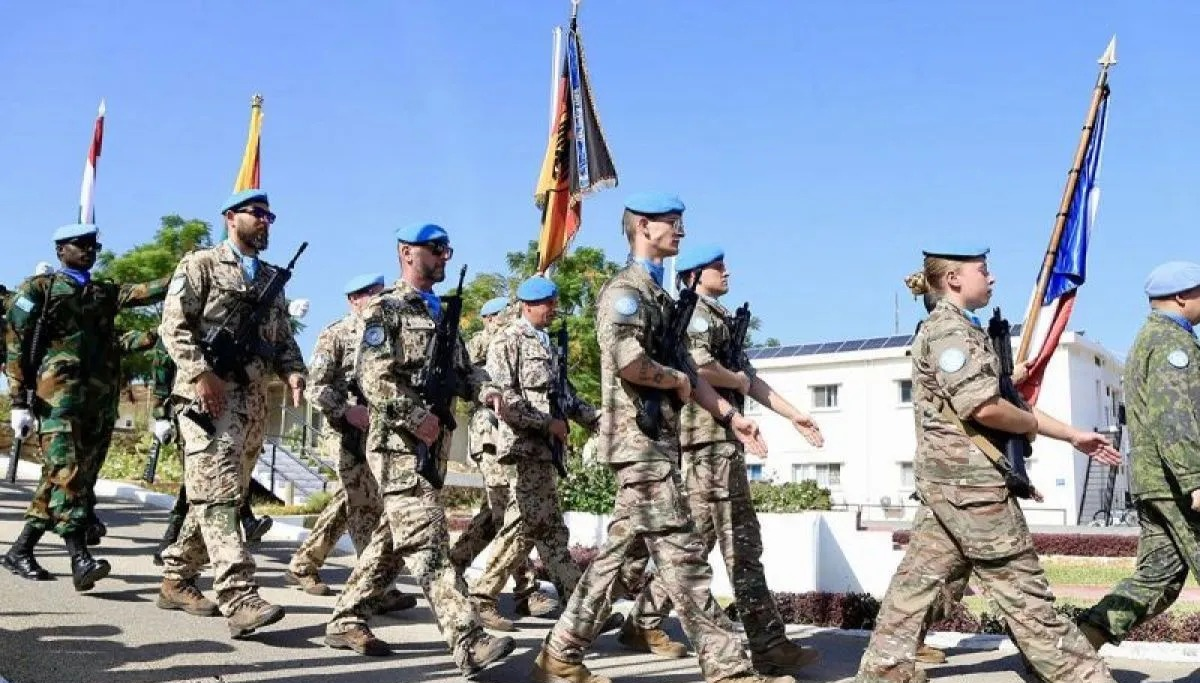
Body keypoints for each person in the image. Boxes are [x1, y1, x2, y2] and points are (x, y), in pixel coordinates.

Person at [533, 193, 792, 683]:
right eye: (672, 223)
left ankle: (560, 655)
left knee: (614, 559)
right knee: (684, 557)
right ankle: (731, 670)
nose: (681, 231)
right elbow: (630, 362)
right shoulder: (625, 293)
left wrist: (728, 416)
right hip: (638, 445)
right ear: (643, 228)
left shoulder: (661, 298)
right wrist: (674, 380)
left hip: (656, 445)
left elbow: (690, 371)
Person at [853, 244, 1122, 683]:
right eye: (983, 270)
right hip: (970, 486)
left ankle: (884, 670)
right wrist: (1028, 421)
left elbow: (1002, 401)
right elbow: (984, 408)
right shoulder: (949, 332)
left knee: (918, 583)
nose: (992, 277)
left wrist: (1073, 435)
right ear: (954, 279)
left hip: (953, 484)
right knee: (1022, 588)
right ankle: (1082, 675)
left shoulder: (962, 330)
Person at [324, 223, 515, 678]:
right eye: (436, 249)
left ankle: (346, 617)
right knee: (427, 539)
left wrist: (487, 390)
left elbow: (465, 371)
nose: (445, 256)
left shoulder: (439, 312)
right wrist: (414, 417)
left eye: (447, 249)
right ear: (407, 253)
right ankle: (468, 639)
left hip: (433, 445)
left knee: (395, 537)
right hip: (397, 444)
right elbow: (373, 377)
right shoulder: (385, 308)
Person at [623, 245, 823, 674]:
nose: (726, 271)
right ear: (694, 275)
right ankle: (768, 644)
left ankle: (642, 621)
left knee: (697, 543)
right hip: (708, 442)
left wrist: (794, 415)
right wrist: (735, 383)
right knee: (742, 544)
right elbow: (700, 367)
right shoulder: (695, 314)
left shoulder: (718, 317)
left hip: (721, 443)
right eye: (718, 266)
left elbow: (751, 380)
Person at [156, 189, 307, 639]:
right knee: (220, 496)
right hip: (207, 399)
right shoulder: (201, 264)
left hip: (252, 404)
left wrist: (294, 373)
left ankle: (176, 577)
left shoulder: (272, 279)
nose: (264, 221)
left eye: (269, 216)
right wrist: (201, 374)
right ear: (230, 217)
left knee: (221, 493)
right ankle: (239, 597)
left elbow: (282, 337)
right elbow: (173, 325)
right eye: (256, 213)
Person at [2, 223, 168, 591]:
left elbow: (147, 291)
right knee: (68, 473)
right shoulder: (39, 290)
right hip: (56, 400)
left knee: (67, 477)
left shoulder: (103, 292)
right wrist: (18, 401)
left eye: (93, 246)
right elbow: (15, 344)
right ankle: (80, 558)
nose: (89, 251)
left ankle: (20, 550)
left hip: (99, 402)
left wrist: (189, 271)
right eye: (80, 245)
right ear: (60, 250)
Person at [1076, 261, 1200, 651]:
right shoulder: (1170, 343)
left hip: (1158, 480)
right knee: (1158, 579)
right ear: (1182, 297)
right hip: (1176, 482)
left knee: (1157, 580)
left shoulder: (1153, 338)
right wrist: (1195, 479)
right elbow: (1174, 418)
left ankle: (1073, 648)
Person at [468, 276, 602, 629]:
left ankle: (580, 609)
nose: (553, 309)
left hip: (546, 451)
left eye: (554, 303)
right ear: (528, 306)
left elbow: (566, 396)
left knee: (551, 531)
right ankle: (481, 597)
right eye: (547, 304)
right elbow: (505, 398)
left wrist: (597, 420)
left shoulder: (546, 344)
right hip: (524, 447)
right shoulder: (508, 340)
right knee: (524, 525)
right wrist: (546, 424)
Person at [284, 272, 415, 615]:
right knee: (363, 502)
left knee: (357, 500)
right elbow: (316, 387)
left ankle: (305, 563)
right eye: (371, 294)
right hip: (345, 432)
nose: (379, 300)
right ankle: (374, 586)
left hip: (380, 432)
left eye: (380, 293)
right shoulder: (336, 334)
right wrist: (346, 411)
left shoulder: (390, 331)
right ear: (353, 299)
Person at [449, 295, 552, 625]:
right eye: (501, 316)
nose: (506, 320)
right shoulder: (482, 342)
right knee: (508, 509)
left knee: (498, 512)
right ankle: (524, 590)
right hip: (489, 435)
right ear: (488, 319)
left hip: (510, 432)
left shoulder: (520, 338)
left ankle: (454, 564)